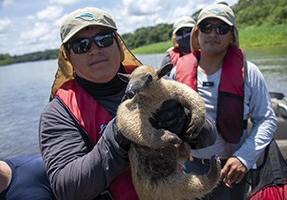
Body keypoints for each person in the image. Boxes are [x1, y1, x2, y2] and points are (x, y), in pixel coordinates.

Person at [39, 7, 217, 200]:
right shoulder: (57, 114)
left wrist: (184, 120)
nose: (95, 50)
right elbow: (67, 189)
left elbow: (209, 136)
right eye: (81, 45)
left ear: (118, 44)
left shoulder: (152, 82)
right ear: (68, 56)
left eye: (104, 39)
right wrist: (117, 137)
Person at [168, 3, 277, 200]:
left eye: (222, 29)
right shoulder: (177, 72)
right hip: (190, 167)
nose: (213, 34)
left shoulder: (249, 73)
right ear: (197, 34)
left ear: (232, 36)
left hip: (231, 170)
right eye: (206, 27)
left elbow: (267, 119)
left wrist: (243, 158)